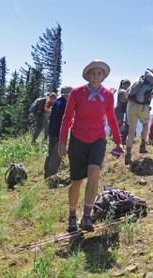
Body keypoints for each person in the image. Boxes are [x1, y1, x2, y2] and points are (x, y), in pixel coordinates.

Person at [58, 60, 123, 232]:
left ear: (104, 76)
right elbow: (66, 118)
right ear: (87, 75)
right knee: (76, 181)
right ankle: (72, 216)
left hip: (98, 139)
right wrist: (62, 141)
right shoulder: (77, 93)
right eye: (93, 73)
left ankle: (86, 216)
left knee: (94, 173)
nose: (96, 76)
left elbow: (111, 119)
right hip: (78, 138)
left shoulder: (108, 96)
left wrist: (118, 141)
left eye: (99, 73)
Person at [125, 66, 153, 164]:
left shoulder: (140, 77)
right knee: (145, 125)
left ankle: (128, 154)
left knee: (131, 131)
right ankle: (142, 146)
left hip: (131, 105)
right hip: (143, 107)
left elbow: (128, 91)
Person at [44, 86, 72, 179]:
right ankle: (51, 176)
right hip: (60, 132)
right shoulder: (66, 104)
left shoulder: (56, 102)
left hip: (52, 130)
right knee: (57, 154)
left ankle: (46, 172)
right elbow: (66, 120)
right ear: (68, 94)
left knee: (50, 152)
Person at [114, 79, 131, 145]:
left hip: (122, 109)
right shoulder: (121, 91)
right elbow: (125, 97)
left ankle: (121, 138)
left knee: (123, 124)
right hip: (119, 109)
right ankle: (116, 138)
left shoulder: (121, 90)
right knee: (119, 124)